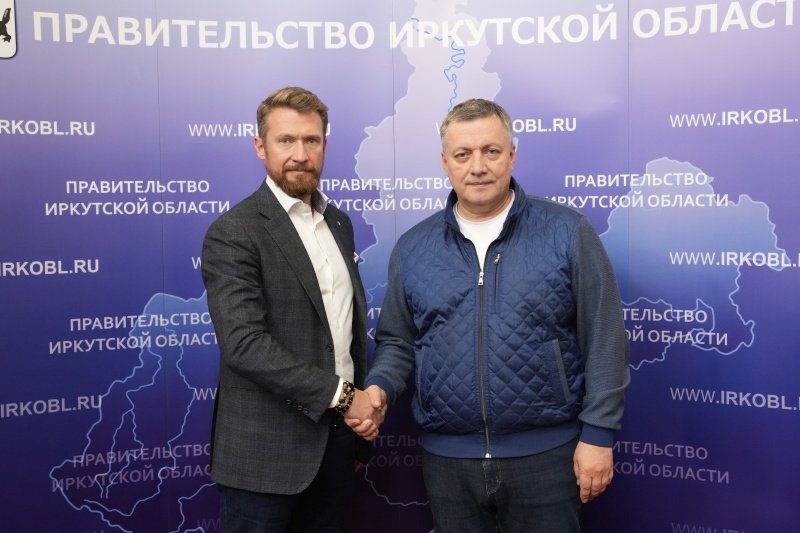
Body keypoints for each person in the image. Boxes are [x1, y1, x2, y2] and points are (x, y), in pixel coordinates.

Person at [363, 98, 630, 532]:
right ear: (445, 162)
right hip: (448, 463)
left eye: (491, 151)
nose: (478, 167)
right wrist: (379, 386)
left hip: (547, 457)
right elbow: (397, 340)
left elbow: (605, 337)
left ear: (511, 155)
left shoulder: (567, 231)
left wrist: (598, 434)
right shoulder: (413, 248)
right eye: (463, 154)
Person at [201, 86, 384, 533]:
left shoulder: (338, 223)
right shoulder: (234, 231)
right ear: (260, 146)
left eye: (311, 140)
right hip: (264, 456)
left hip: (338, 443)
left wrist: (357, 418)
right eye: (286, 140)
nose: (300, 154)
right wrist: (346, 398)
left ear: (324, 145)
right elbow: (244, 345)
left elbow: (343, 333)